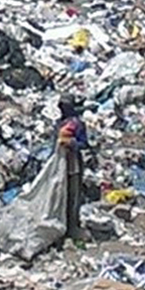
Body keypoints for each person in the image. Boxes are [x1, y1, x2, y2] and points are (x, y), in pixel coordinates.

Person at [53, 97, 90, 240]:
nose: (63, 109)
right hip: (59, 164)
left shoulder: (78, 124)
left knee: (73, 196)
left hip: (73, 165)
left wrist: (71, 143)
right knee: (60, 195)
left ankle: (73, 226)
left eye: (65, 106)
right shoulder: (59, 124)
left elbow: (84, 144)